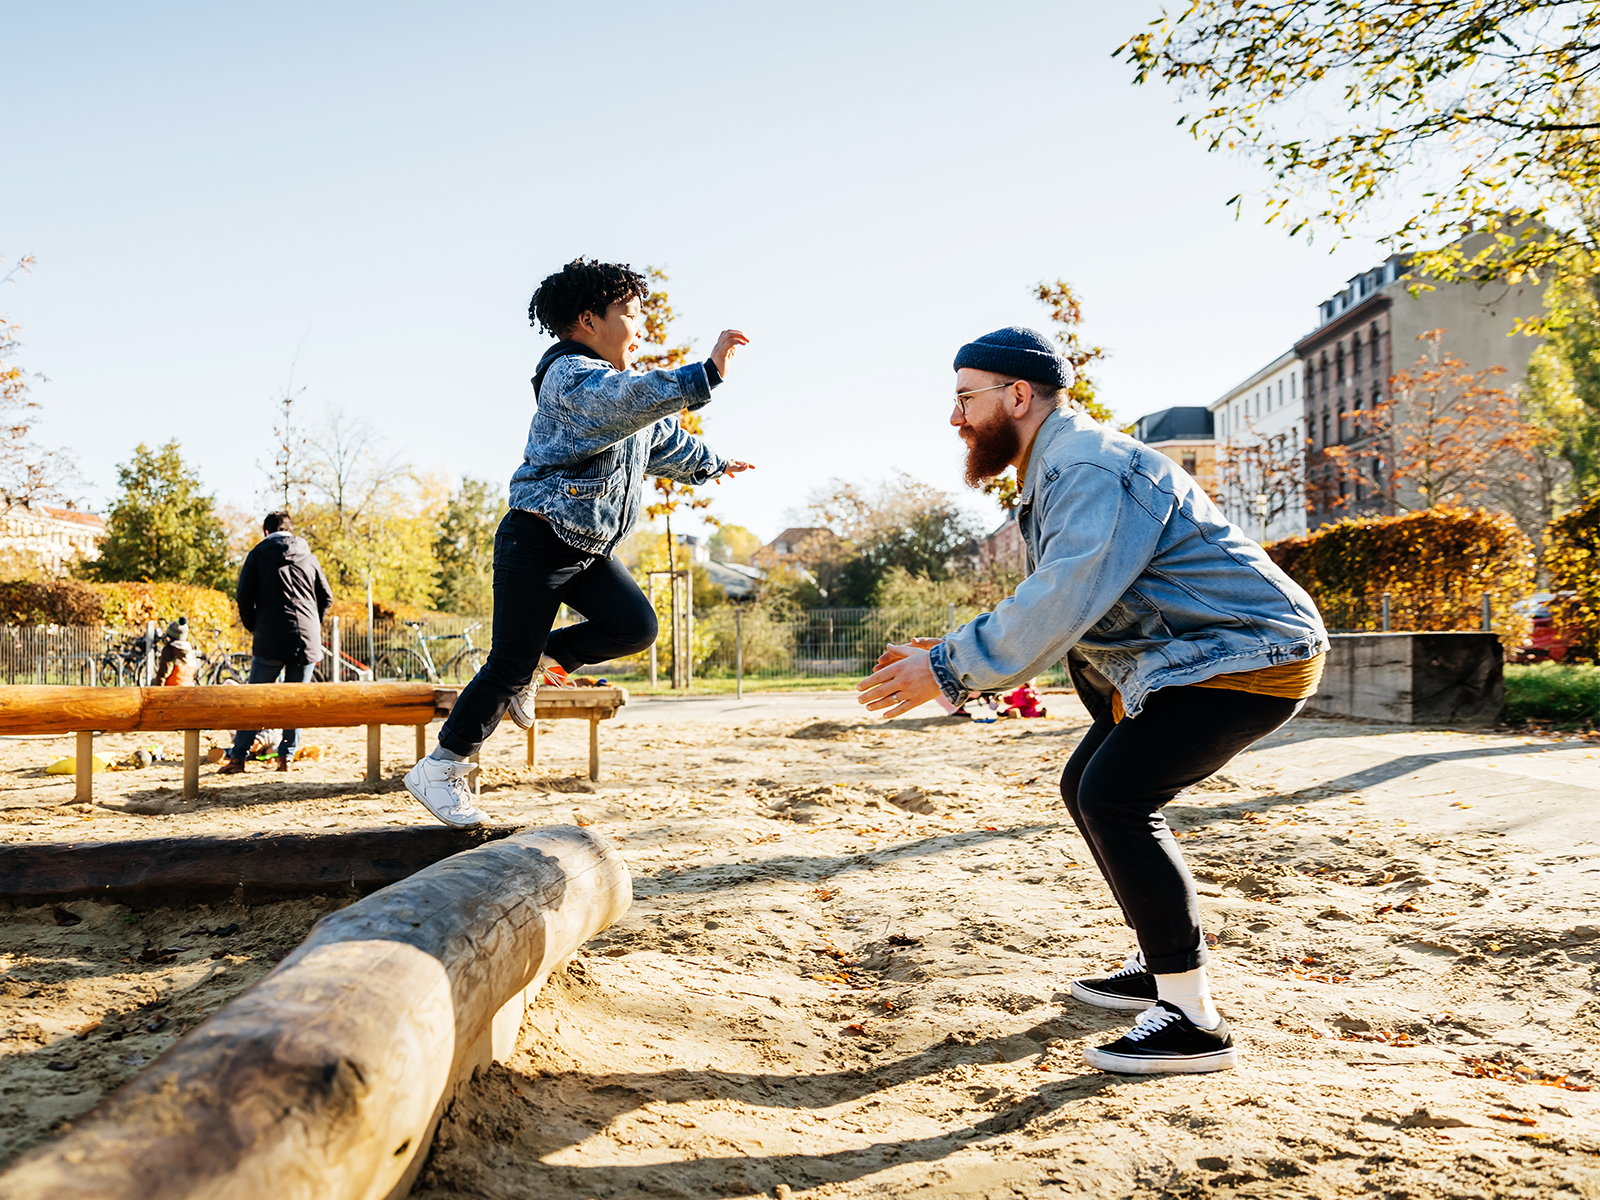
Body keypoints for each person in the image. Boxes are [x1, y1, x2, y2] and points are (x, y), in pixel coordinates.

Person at [857, 326, 1328, 1075]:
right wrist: (945, 656)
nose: (954, 419)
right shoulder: (1058, 467)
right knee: (1089, 785)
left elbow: (1063, 595)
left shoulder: (1084, 465)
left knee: (1115, 795)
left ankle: (1192, 1019)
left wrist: (947, 669)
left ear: (1017, 396)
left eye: (963, 399)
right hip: (1194, 659)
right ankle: (1160, 962)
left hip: (1247, 654)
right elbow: (1077, 607)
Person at [405, 257, 752, 827]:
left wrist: (713, 464)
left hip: (586, 548)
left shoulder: (615, 395)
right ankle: (441, 766)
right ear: (589, 321)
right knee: (507, 663)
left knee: (636, 625)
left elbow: (661, 439)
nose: (639, 328)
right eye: (632, 315)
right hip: (538, 540)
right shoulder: (572, 379)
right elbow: (633, 400)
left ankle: (548, 660)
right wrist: (704, 373)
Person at [219, 511, 333, 774]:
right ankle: (286, 759)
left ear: (266, 532)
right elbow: (326, 597)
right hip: (305, 640)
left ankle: (238, 758)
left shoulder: (258, 555)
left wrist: (255, 628)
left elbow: (244, 599)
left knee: (255, 699)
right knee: (296, 701)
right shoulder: (309, 556)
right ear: (290, 530)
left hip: (270, 637)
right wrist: (312, 625)